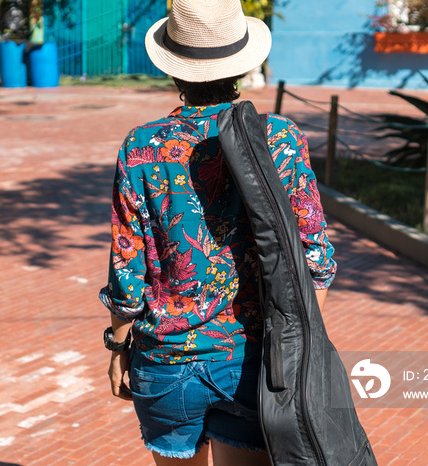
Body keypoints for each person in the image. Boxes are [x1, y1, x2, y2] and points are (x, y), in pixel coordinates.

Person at [99, 1, 337, 464]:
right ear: (242, 64)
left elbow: (127, 273)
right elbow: (318, 263)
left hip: (164, 362)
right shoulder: (280, 139)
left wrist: (117, 347)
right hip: (254, 361)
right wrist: (294, 349)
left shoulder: (142, 146)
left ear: (173, 68)